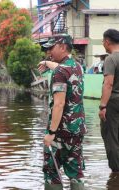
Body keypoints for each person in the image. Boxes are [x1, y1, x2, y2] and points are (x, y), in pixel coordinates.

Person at [39, 34, 87, 190]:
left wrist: (51, 132)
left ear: (63, 47)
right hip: (77, 130)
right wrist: (47, 63)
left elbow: (59, 104)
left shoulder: (60, 72)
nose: (49, 52)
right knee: (76, 172)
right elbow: (61, 68)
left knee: (51, 171)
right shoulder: (77, 67)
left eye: (51, 48)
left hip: (60, 132)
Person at [99, 29, 119, 174]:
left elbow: (108, 84)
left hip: (113, 102)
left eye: (102, 41)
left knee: (111, 136)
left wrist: (102, 106)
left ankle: (116, 173)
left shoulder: (111, 59)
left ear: (107, 41)